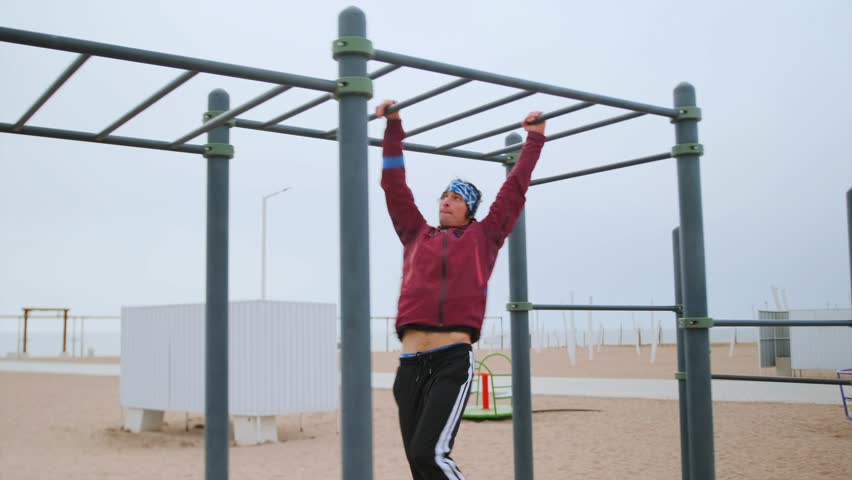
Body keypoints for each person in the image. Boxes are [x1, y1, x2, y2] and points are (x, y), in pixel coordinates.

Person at [377, 99, 546, 479]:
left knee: (430, 455)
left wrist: (533, 141)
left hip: (450, 360)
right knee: (419, 466)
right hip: (409, 367)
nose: (446, 201)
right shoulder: (416, 233)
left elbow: (515, 190)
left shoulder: (484, 236)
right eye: (443, 196)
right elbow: (393, 185)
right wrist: (393, 129)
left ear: (469, 208)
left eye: (455, 198)